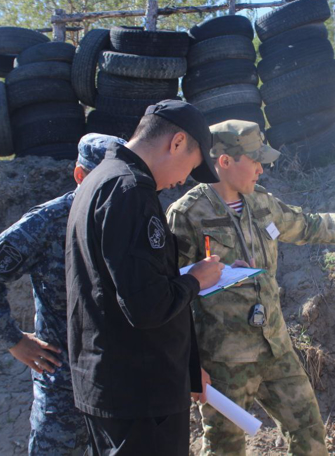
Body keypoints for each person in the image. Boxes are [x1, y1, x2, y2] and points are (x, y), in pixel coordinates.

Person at [166, 120, 335, 456]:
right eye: (254, 160)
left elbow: (306, 225)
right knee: (224, 448)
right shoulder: (187, 215)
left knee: (308, 434)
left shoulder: (262, 202)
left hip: (275, 347)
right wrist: (190, 364)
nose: (261, 170)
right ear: (224, 161)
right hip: (224, 361)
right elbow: (170, 296)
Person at [65, 100, 223, 456]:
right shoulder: (131, 191)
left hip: (113, 382)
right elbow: (147, 305)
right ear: (177, 142)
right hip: (140, 394)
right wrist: (196, 279)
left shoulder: (100, 180)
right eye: (190, 168)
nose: (183, 181)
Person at [0, 133, 127, 455]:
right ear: (80, 176)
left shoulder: (126, 219)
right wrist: (13, 340)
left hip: (115, 381)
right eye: (102, 182)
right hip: (64, 385)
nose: (112, 193)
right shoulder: (48, 222)